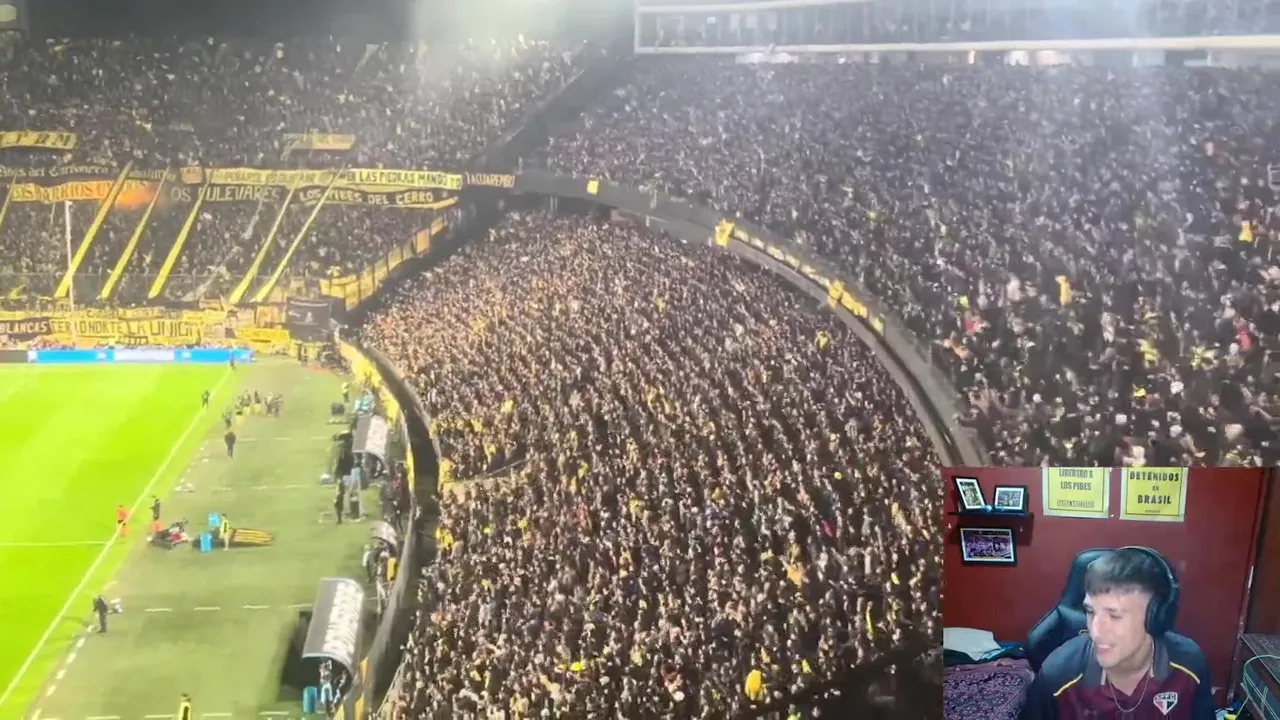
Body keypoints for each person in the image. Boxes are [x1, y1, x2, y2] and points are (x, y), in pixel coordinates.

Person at [1020, 548, 1213, 719]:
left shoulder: (1190, 667)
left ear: (1155, 618)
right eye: (1090, 612)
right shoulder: (1057, 676)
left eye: (1114, 616)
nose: (1095, 632)